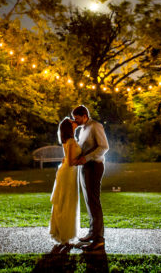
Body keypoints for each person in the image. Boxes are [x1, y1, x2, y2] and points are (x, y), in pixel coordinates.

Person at [71, 105, 109, 251]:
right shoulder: (82, 129)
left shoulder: (95, 126)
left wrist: (86, 158)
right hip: (85, 167)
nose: (75, 120)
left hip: (94, 167)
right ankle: (92, 233)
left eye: (77, 118)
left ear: (84, 116)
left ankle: (99, 239)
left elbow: (104, 147)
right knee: (88, 200)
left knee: (94, 200)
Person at [49, 117, 82, 247]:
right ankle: (65, 235)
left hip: (67, 172)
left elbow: (67, 158)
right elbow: (70, 161)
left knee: (62, 202)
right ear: (70, 127)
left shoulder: (67, 140)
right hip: (69, 173)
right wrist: (83, 159)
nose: (75, 122)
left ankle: (62, 233)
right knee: (67, 202)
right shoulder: (71, 141)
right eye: (72, 122)